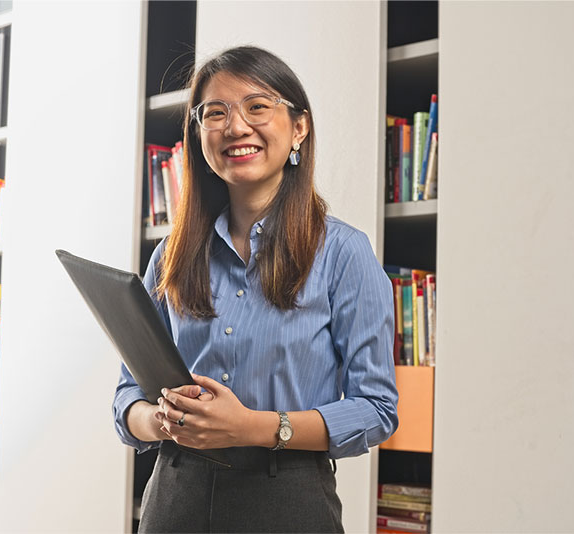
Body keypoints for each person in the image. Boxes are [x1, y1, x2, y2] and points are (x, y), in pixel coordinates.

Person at [113, 45, 398, 533]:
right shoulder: (171, 254)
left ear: (299, 127)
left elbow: (376, 410)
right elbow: (127, 398)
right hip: (175, 495)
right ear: (198, 133)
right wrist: (161, 421)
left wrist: (253, 427)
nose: (236, 127)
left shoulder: (344, 253)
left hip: (287, 498)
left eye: (257, 107)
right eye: (215, 113)